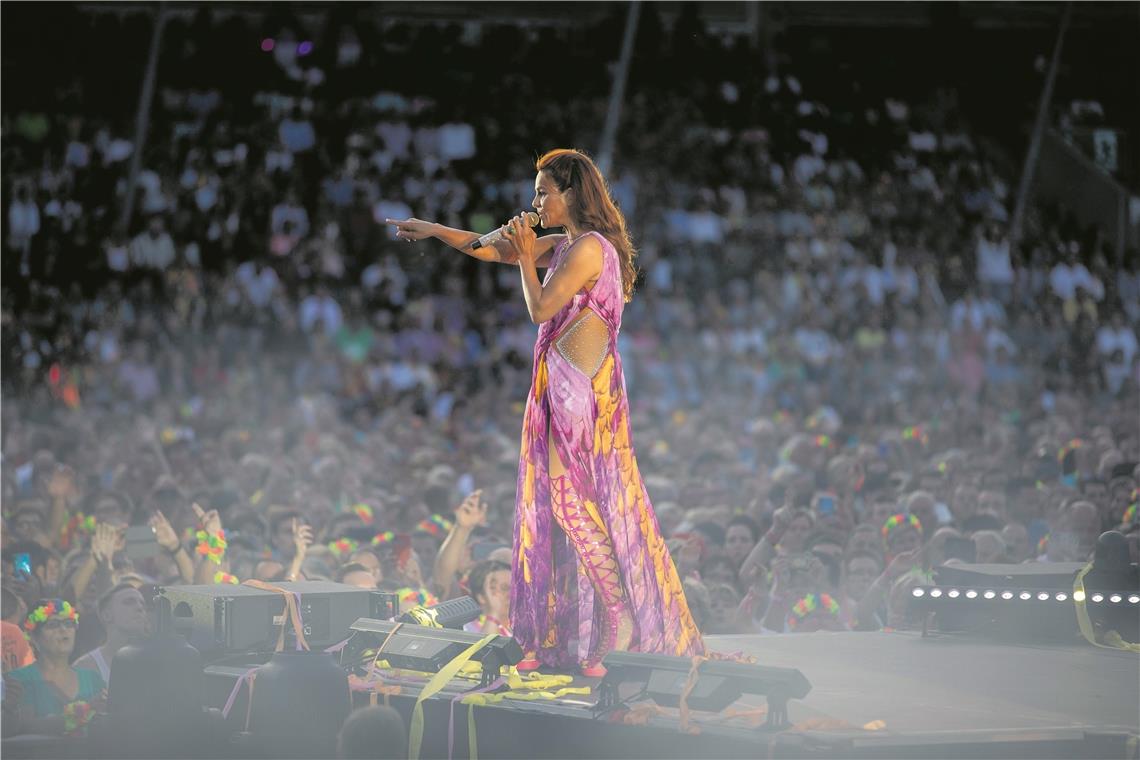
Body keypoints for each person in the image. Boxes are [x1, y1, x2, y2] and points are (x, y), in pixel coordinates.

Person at [387, 148, 702, 676]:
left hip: (579, 393)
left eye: (543, 192)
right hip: (561, 389)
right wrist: (436, 229)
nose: (535, 201)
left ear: (572, 192)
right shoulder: (564, 245)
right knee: (569, 505)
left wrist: (528, 251)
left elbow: (539, 309)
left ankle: (616, 608)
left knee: (569, 502)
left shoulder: (589, 249)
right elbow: (490, 251)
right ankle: (607, 611)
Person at [5, 599, 105, 736]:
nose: (63, 630)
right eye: (53, 625)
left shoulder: (92, 678)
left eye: (69, 624)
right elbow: (24, 727)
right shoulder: (19, 679)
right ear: (34, 637)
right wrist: (87, 710)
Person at [73, 583, 149, 684]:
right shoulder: (86, 667)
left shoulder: (159, 660)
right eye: (129, 602)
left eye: (143, 604)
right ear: (107, 615)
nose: (140, 608)